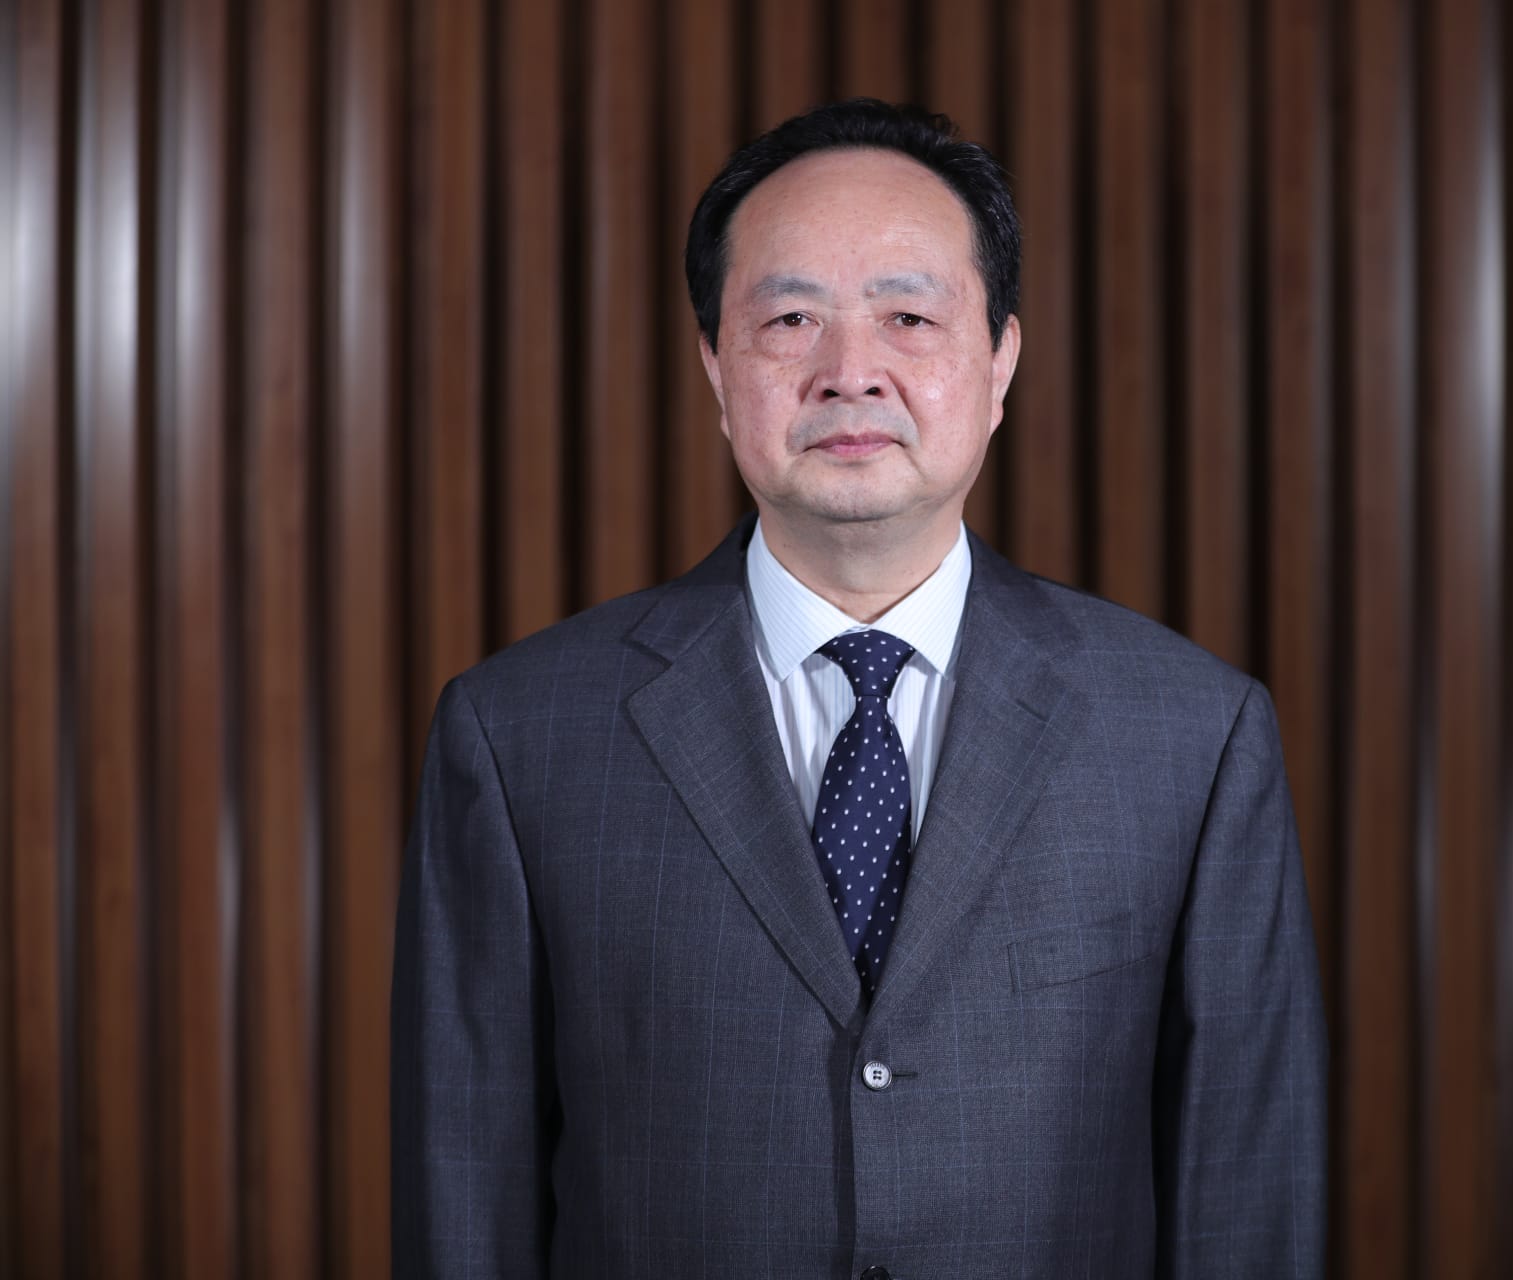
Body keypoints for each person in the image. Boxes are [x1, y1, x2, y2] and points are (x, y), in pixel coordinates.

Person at [391, 98, 1326, 1278]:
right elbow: (465, 1198)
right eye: (790, 317)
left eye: (908, 315)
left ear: (1000, 364)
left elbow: (1247, 1199)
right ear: (718, 369)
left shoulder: (1194, 736)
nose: (851, 372)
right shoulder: (519, 736)